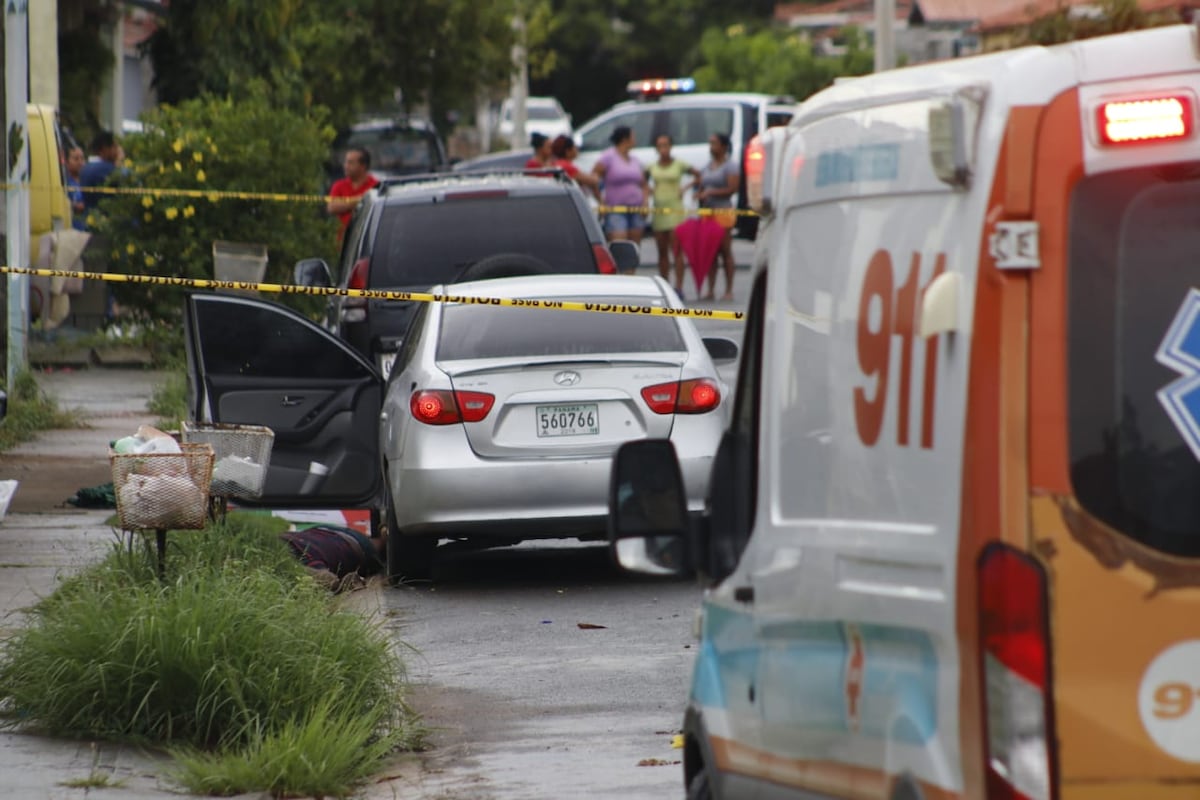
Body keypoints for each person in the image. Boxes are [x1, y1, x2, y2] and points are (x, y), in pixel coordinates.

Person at [646, 134, 698, 295]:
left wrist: (685, 188)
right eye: (660, 146)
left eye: (666, 145)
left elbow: (698, 174)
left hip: (675, 209)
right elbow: (642, 181)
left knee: (676, 250)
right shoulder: (652, 166)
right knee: (662, 251)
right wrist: (649, 191)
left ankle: (679, 286)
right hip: (659, 209)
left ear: (670, 146)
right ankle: (665, 285)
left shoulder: (679, 164)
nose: (663, 149)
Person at [592, 125, 648, 272]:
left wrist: (645, 202)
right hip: (616, 209)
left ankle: (631, 278)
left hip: (635, 208)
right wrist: (601, 200)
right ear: (625, 139)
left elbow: (643, 184)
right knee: (620, 247)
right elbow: (593, 178)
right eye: (633, 136)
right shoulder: (608, 157)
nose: (635, 140)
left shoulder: (635, 160)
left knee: (633, 250)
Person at [692, 133, 740, 301]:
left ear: (724, 146)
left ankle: (728, 289)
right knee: (710, 251)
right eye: (710, 143)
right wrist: (699, 193)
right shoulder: (708, 166)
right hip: (708, 212)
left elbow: (732, 188)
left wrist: (712, 192)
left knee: (725, 250)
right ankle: (710, 289)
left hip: (723, 211)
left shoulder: (730, 166)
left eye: (715, 143)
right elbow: (702, 182)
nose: (711, 147)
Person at [280, 524, 387, 593]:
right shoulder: (278, 542)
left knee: (381, 546)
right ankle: (384, 530)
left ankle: (385, 534)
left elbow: (329, 581)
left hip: (352, 542)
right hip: (319, 530)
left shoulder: (306, 559)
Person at [326, 147, 379, 243]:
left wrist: (345, 203)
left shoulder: (375, 185)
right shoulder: (339, 185)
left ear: (363, 166)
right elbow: (331, 207)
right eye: (346, 162)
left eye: (350, 163)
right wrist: (360, 201)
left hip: (367, 241)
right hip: (343, 244)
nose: (346, 166)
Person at [79, 130, 119, 211]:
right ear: (105, 148)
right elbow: (129, 178)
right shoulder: (106, 168)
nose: (117, 150)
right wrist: (119, 161)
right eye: (115, 147)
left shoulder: (85, 168)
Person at [551, 134, 600, 199]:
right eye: (574, 147)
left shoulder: (556, 163)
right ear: (568, 151)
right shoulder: (565, 166)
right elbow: (593, 181)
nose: (577, 149)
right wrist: (595, 174)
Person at [65, 145, 87, 231]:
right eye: (76, 159)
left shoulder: (87, 181)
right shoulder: (66, 182)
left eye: (82, 158)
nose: (80, 162)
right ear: (67, 162)